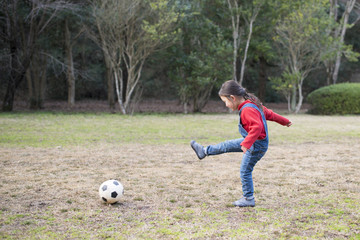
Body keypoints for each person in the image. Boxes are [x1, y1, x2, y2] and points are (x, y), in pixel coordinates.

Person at [190, 80, 292, 207]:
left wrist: (247, 144)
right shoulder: (252, 103)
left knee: (245, 171)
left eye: (225, 101)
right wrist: (285, 121)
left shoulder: (247, 109)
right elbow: (268, 114)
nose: (226, 105)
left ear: (232, 98)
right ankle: (204, 151)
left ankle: (248, 198)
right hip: (253, 142)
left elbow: (257, 127)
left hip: (255, 145)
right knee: (226, 145)